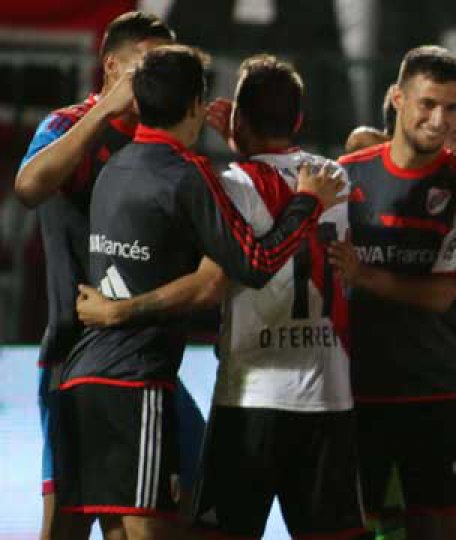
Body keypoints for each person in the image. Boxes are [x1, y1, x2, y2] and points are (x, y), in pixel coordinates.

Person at [54, 45, 342, 538]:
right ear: (194, 106)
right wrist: (306, 203)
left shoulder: (115, 169)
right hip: (134, 381)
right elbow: (254, 262)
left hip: (85, 376)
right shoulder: (189, 176)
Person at [11, 12, 202, 538]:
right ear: (111, 66)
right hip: (74, 355)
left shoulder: (166, 139)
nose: (152, 76)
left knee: (187, 506)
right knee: (70, 521)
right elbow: (28, 188)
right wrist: (102, 113)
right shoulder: (66, 125)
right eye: (145, 63)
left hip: (146, 362)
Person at [328, 46, 456, 540]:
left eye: (451, 108)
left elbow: (441, 296)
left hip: (440, 392)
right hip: (361, 391)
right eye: (427, 104)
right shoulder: (348, 174)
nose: (438, 119)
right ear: (398, 99)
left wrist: (364, 275)